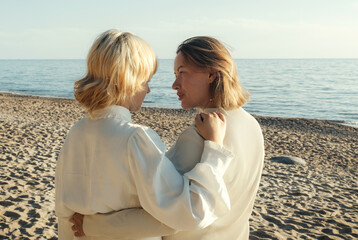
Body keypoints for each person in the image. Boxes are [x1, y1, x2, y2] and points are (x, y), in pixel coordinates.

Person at [70, 36, 265, 239]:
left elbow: (169, 216)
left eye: (182, 73)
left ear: (212, 74)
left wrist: (93, 226)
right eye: (175, 74)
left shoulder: (200, 137)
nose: (174, 84)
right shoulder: (252, 125)